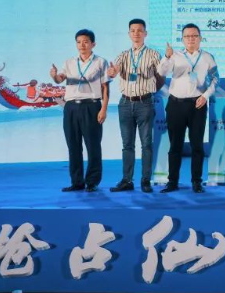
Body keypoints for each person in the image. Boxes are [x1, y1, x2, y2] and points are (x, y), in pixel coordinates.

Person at [158, 23, 218, 193]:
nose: (191, 39)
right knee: (175, 146)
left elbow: (215, 79)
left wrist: (205, 96)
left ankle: (197, 181)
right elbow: (162, 71)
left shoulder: (207, 57)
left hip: (197, 105)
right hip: (176, 105)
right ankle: (172, 181)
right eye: (187, 36)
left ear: (200, 38)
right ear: (182, 39)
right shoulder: (175, 56)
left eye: (194, 36)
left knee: (197, 146)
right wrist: (167, 57)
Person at [107, 18, 162, 193]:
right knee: (127, 144)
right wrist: (112, 72)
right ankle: (127, 180)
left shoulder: (154, 54)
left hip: (145, 102)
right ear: (129, 34)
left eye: (139, 30)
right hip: (125, 103)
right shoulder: (123, 55)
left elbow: (161, 74)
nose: (136, 33)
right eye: (133, 30)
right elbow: (114, 70)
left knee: (146, 144)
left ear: (145, 33)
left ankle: (145, 180)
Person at [51, 29, 109, 192]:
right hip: (70, 107)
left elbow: (105, 87)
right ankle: (77, 182)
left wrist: (104, 108)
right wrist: (54, 76)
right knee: (73, 146)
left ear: (93, 44)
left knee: (93, 145)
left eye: (85, 42)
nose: (82, 45)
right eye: (78, 42)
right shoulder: (69, 62)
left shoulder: (100, 62)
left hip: (91, 106)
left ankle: (92, 181)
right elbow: (60, 79)